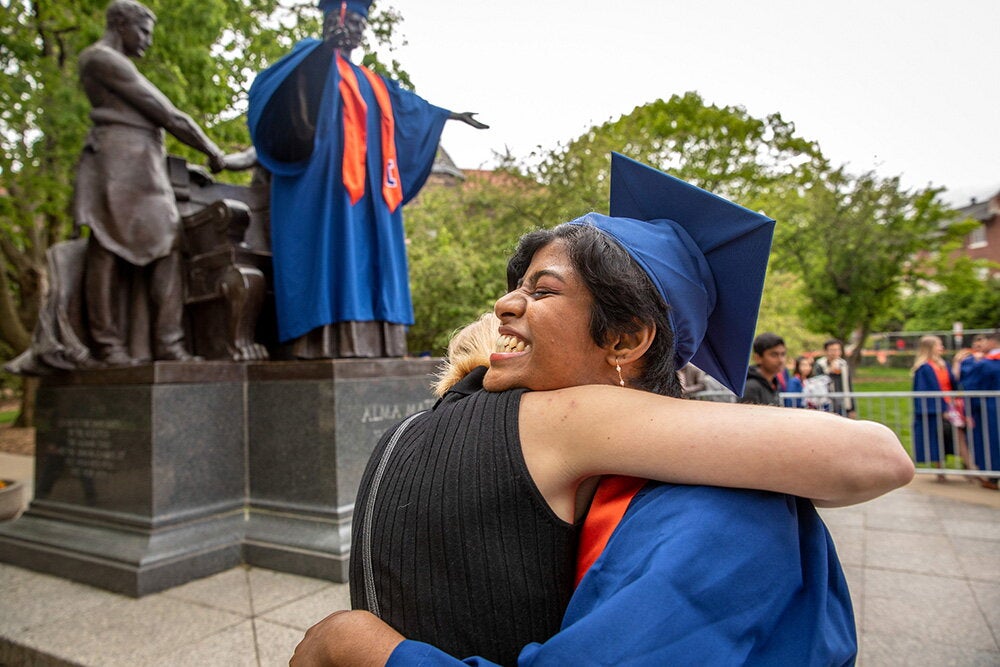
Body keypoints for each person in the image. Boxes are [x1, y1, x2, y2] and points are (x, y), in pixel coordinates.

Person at [291, 154, 913, 665]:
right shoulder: (593, 479)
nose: (505, 305)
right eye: (516, 285)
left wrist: (359, 646)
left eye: (543, 290)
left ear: (624, 341)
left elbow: (879, 457)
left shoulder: (724, 511)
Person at [247, 0, 487, 358]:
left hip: (371, 197)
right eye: (352, 21)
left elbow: (411, 107)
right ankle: (320, 343)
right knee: (330, 255)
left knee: (373, 262)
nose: (357, 29)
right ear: (332, 19)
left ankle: (378, 344)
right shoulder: (310, 60)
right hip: (323, 187)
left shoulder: (373, 83)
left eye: (362, 23)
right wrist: (323, 51)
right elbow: (283, 99)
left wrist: (449, 115)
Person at [74, 0, 228, 365]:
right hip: (118, 161)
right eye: (143, 31)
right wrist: (212, 150)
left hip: (140, 162)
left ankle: (163, 343)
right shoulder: (103, 59)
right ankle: (113, 345)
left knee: (161, 243)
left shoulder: (111, 61)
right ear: (121, 24)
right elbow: (168, 114)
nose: (146, 40)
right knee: (108, 247)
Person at [911, 335, 966, 481]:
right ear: (930, 348)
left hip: (952, 407)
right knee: (937, 438)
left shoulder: (944, 365)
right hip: (937, 410)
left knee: (960, 435)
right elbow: (924, 392)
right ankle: (941, 469)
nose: (941, 347)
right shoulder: (923, 368)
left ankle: (970, 466)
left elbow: (953, 383)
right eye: (938, 345)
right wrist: (941, 409)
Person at [960, 329, 1000, 489]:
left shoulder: (985, 364)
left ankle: (992, 476)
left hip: (988, 409)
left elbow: (970, 387)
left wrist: (968, 411)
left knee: (990, 442)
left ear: (992, 342)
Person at [738, 332, 786, 406]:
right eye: (774, 355)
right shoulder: (751, 387)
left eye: (783, 354)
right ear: (758, 358)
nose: (780, 360)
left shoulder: (773, 384)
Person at [814, 339, 856, 418]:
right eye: (832, 350)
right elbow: (818, 382)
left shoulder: (843, 364)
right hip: (826, 403)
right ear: (826, 351)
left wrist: (852, 408)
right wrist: (829, 371)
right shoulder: (820, 364)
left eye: (837, 350)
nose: (835, 353)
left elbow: (849, 385)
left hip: (842, 403)